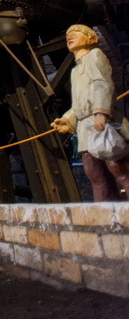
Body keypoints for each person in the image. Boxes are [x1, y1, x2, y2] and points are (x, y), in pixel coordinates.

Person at [51, 25, 129, 201]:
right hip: (86, 130)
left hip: (103, 125)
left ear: (89, 38)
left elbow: (103, 84)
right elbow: (79, 103)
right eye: (67, 35)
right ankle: (107, 217)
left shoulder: (95, 55)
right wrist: (67, 120)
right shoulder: (75, 70)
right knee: (96, 176)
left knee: (119, 170)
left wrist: (101, 113)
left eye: (75, 34)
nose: (69, 37)